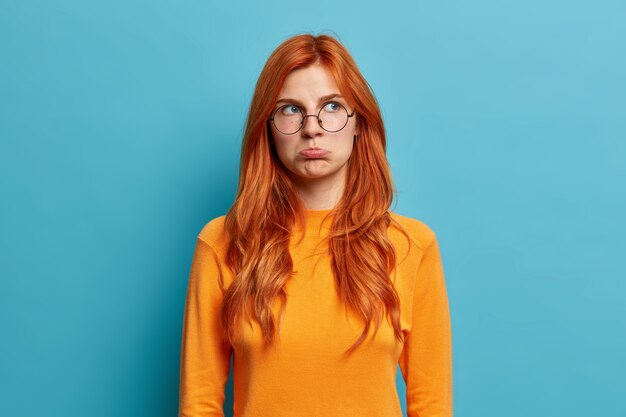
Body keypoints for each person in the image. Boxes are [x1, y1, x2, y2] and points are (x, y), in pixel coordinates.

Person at [178, 33, 453, 417]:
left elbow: (432, 405)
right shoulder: (222, 242)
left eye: (332, 106)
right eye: (291, 109)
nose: (312, 127)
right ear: (268, 127)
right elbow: (199, 403)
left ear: (360, 123)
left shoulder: (412, 245)